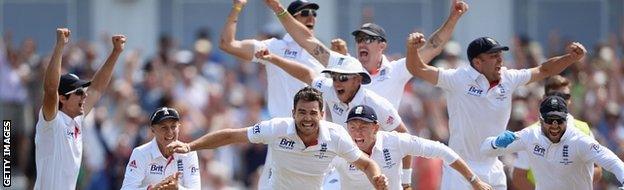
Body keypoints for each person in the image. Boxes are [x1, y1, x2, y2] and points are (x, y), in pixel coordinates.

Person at [404, 29, 587, 189]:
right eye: (493, 56)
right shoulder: (457, 78)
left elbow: (544, 70)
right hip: (460, 168)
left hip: (493, 167)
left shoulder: (509, 78)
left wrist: (571, 58)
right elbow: (417, 68)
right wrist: (412, 50)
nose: (500, 60)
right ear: (477, 62)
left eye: (500, 55)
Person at [167, 87, 389, 190]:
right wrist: (189, 145)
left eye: (313, 113)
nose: (307, 118)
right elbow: (231, 135)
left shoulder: (335, 135)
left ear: (322, 115)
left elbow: (367, 164)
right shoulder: (277, 128)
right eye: (302, 112)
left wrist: (377, 178)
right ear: (293, 113)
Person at [218, 1, 325, 188]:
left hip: (315, 134)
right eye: (305, 12)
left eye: (314, 13)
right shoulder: (276, 46)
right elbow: (228, 44)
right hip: (281, 132)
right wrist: (237, 7)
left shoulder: (321, 52)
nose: (311, 17)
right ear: (290, 18)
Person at [34, 28, 125, 189]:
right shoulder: (51, 121)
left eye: (83, 92)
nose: (84, 96)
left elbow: (96, 88)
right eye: (78, 92)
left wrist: (115, 52)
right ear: (62, 98)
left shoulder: (76, 120)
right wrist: (60, 46)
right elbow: (50, 89)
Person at [334, 0, 468, 109]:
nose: (362, 43)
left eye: (368, 39)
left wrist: (453, 17)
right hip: (351, 140)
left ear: (382, 46)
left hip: (385, 140)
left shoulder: (396, 70)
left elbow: (433, 47)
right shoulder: (347, 68)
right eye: (359, 39)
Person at [333, 104, 493, 190]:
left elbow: (443, 150)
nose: (357, 133)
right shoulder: (340, 148)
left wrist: (475, 181)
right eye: (352, 127)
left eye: (363, 127)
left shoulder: (395, 141)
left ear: (376, 127)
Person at [480, 96, 624, 190]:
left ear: (566, 119)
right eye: (550, 120)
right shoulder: (530, 136)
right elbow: (485, 150)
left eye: (559, 120)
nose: (555, 126)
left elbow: (611, 161)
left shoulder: (580, 141)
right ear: (541, 119)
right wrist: (495, 142)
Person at [511, 75, 602, 189]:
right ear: (544, 98)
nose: (560, 100)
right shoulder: (532, 133)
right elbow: (518, 176)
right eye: (555, 96)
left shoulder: (583, 129)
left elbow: (597, 169)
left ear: (570, 99)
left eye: (565, 96)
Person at [121, 107, 201, 189]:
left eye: (173, 127)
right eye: (164, 127)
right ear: (153, 130)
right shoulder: (140, 153)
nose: (169, 132)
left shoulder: (189, 153)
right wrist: (153, 189)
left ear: (179, 127)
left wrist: (177, 188)